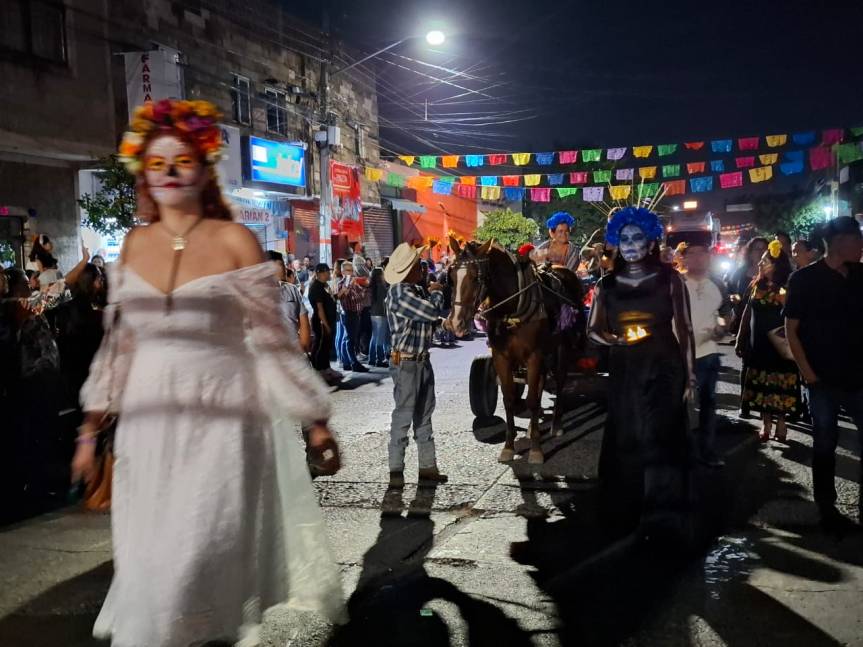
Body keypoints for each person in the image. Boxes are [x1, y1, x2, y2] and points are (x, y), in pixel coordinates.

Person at [69, 99, 345, 645]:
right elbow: (119, 347)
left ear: (203, 167)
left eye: (182, 161)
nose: (170, 174)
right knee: (154, 565)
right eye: (157, 163)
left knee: (201, 560)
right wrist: (89, 428)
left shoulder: (234, 241)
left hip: (223, 425)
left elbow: (273, 343)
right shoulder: (132, 244)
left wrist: (314, 421)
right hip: (147, 434)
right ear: (143, 174)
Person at [587, 207, 696, 542]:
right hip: (625, 366)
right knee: (627, 436)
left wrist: (689, 376)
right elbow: (592, 329)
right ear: (615, 243)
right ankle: (626, 512)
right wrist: (611, 339)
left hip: (664, 364)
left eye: (638, 237)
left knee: (661, 437)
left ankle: (663, 514)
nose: (631, 244)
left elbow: (685, 328)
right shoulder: (606, 284)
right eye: (624, 238)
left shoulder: (670, 278)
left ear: (650, 242)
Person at [785, 216, 863, 534]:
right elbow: (791, 330)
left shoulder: (860, 276)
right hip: (822, 379)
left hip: (859, 376)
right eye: (857, 239)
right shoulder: (805, 280)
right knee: (824, 443)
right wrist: (808, 374)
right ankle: (826, 507)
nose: (861, 246)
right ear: (840, 242)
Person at [385, 242, 448, 488]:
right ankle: (396, 472)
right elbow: (431, 311)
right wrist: (437, 290)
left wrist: (447, 324)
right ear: (409, 269)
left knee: (424, 415)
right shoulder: (400, 293)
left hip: (421, 360)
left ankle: (427, 467)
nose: (423, 267)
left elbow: (432, 322)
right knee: (404, 417)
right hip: (407, 364)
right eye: (418, 264)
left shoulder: (414, 292)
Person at [735, 240, 800, 442]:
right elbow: (748, 312)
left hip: (779, 345)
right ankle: (766, 423)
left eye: (765, 261)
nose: (761, 264)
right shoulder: (757, 285)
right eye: (761, 261)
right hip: (758, 344)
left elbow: (792, 315)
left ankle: (781, 422)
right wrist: (740, 336)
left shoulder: (785, 288)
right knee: (762, 385)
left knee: (779, 384)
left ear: (776, 264)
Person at [680, 239, 732, 468]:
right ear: (685, 258)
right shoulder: (677, 283)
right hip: (680, 353)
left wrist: (722, 326)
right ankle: (680, 450)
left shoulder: (718, 284)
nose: (699, 257)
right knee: (678, 405)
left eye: (703, 253)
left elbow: (725, 312)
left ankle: (707, 450)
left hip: (708, 352)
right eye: (693, 253)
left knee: (708, 404)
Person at [727, 236, 768, 418]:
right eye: (756, 249)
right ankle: (745, 403)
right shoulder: (741, 272)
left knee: (765, 364)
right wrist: (735, 299)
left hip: (767, 322)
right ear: (749, 252)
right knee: (747, 361)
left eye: (762, 249)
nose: (759, 252)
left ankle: (765, 405)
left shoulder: (772, 272)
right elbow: (730, 290)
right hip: (746, 320)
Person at [267, 250, 311, 353]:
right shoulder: (257, 293)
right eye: (281, 265)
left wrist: (303, 345)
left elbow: (304, 321)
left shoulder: (292, 290)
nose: (285, 269)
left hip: (294, 350)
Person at [308, 262, 342, 385]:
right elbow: (320, 308)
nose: (329, 274)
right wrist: (326, 324)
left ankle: (326, 368)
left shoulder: (325, 285)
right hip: (321, 322)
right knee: (320, 346)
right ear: (319, 273)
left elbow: (331, 299)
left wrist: (341, 293)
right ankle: (318, 370)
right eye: (327, 272)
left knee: (326, 346)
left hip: (328, 320)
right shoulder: (316, 287)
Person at [336, 260, 369, 373]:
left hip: (355, 313)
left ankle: (347, 362)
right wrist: (350, 287)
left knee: (349, 338)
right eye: (349, 270)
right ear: (343, 272)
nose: (352, 272)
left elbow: (362, 294)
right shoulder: (342, 284)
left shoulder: (354, 283)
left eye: (352, 270)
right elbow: (344, 297)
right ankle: (353, 362)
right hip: (348, 314)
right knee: (350, 339)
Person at [368, 258, 391, 367]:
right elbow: (385, 300)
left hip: (373, 314)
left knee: (374, 337)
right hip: (381, 314)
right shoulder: (381, 287)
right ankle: (379, 359)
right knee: (380, 338)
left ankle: (372, 358)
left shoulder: (371, 287)